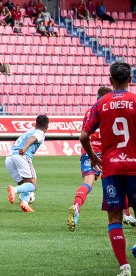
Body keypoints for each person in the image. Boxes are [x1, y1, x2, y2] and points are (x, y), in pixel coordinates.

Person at [80, 62, 136, 276]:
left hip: (111, 167)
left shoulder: (101, 103)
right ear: (130, 80)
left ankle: (124, 266)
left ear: (110, 80)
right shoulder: (135, 101)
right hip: (134, 166)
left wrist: (93, 155)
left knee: (114, 218)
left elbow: (84, 136)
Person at [68, 87, 114, 231]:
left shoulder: (90, 111)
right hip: (107, 151)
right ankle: (125, 215)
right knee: (115, 183)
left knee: (88, 182)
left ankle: (76, 206)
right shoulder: (110, 109)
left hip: (89, 151)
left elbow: (84, 134)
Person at [6, 115, 49, 212]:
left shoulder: (28, 132)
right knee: (32, 186)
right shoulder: (40, 133)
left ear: (36, 123)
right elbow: (32, 139)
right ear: (47, 127)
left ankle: (24, 204)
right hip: (22, 156)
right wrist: (25, 148)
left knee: (24, 184)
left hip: (9, 157)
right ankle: (15, 190)